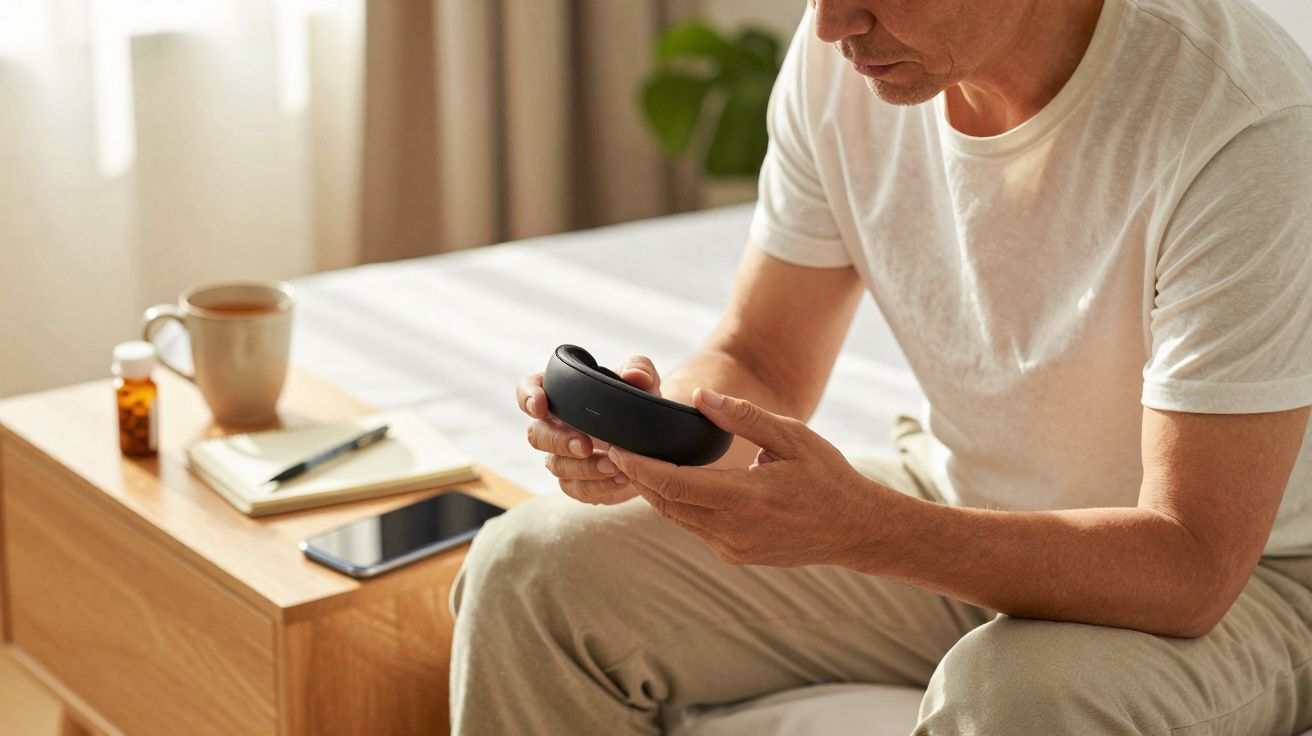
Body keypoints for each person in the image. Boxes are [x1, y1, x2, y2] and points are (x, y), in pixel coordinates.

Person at [451, 0, 1312, 732]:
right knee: (531, 572)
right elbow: (763, 353)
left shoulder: (1243, 121)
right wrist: (664, 428)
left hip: (1251, 579)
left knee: (1014, 698)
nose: (831, 24)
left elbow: (1192, 566)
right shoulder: (846, 68)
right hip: (962, 498)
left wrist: (867, 527)